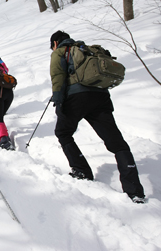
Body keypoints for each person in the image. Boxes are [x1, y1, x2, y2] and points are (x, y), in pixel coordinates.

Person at [49, 30, 147, 204]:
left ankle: (81, 171)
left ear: (55, 43)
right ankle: (135, 190)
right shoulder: (87, 49)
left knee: (63, 132)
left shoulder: (60, 52)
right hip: (100, 97)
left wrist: (58, 99)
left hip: (76, 98)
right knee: (116, 142)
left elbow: (58, 76)